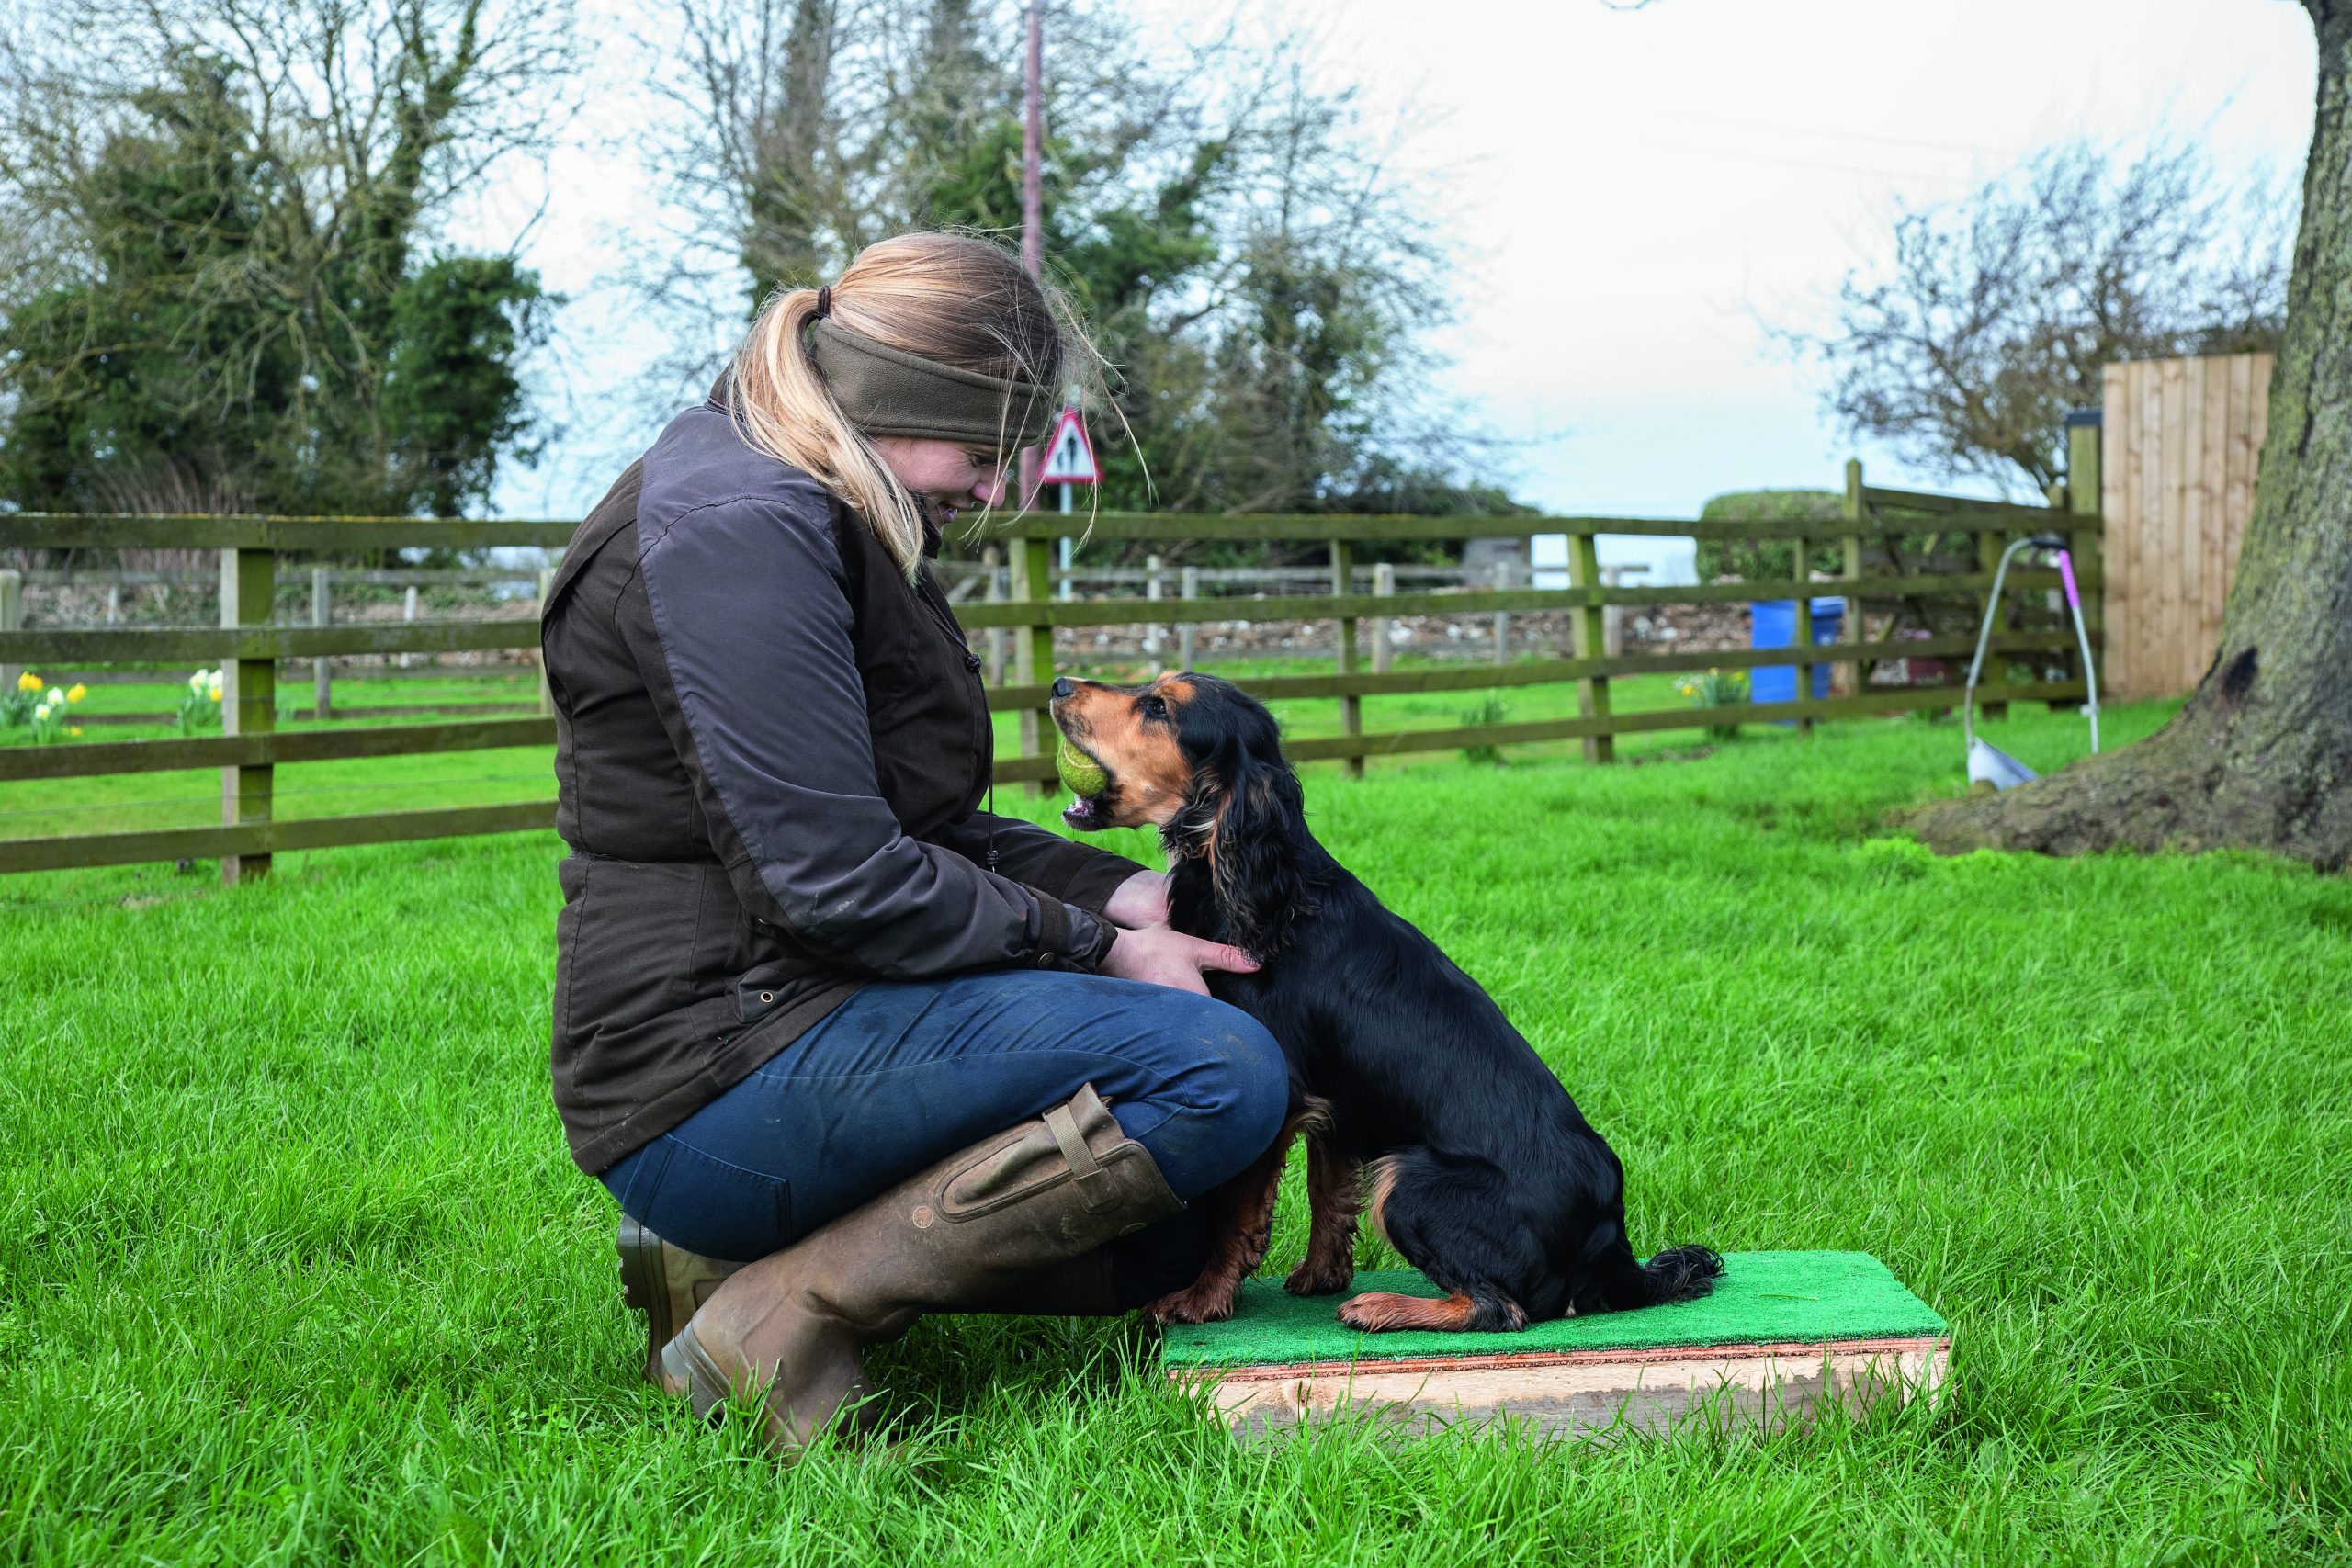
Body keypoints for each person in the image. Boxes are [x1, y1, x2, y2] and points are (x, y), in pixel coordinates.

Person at [538, 231, 1288, 1453]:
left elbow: (915, 830)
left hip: (807, 1009)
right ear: (896, 402)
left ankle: (722, 1262)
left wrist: (1126, 895)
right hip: (717, 1059)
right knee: (1217, 1075)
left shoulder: (815, 501)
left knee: (1166, 1222)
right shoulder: (742, 529)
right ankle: (786, 1308)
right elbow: (833, 880)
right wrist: (1097, 947)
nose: (992, 491)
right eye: (984, 452)